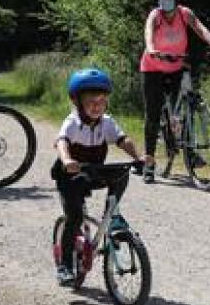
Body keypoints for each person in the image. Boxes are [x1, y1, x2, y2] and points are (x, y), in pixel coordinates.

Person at [52, 68, 145, 285]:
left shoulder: (107, 122)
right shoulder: (73, 122)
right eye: (91, 101)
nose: (97, 106)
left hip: (93, 172)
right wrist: (67, 161)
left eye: (102, 101)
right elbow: (62, 142)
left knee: (121, 174)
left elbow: (123, 140)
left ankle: (110, 216)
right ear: (77, 102)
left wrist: (138, 157)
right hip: (70, 177)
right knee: (74, 218)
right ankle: (65, 265)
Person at [137, 0, 210, 183]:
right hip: (152, 68)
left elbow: (201, 29)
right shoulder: (155, 15)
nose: (165, 0)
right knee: (152, 114)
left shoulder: (185, 14)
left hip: (176, 66)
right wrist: (151, 49)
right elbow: (148, 32)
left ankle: (188, 150)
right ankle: (149, 164)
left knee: (178, 111)